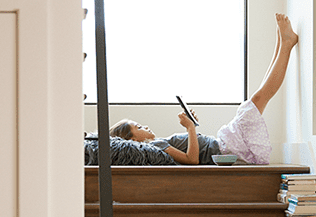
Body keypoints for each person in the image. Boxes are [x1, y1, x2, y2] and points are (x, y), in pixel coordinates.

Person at [109, 13, 298, 165]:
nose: (145, 126)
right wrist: (190, 127)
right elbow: (192, 160)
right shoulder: (155, 145)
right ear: (132, 140)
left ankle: (283, 44)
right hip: (225, 148)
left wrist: (192, 127)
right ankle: (285, 44)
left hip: (223, 145)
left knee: (255, 101)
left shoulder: (157, 144)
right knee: (256, 101)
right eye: (138, 127)